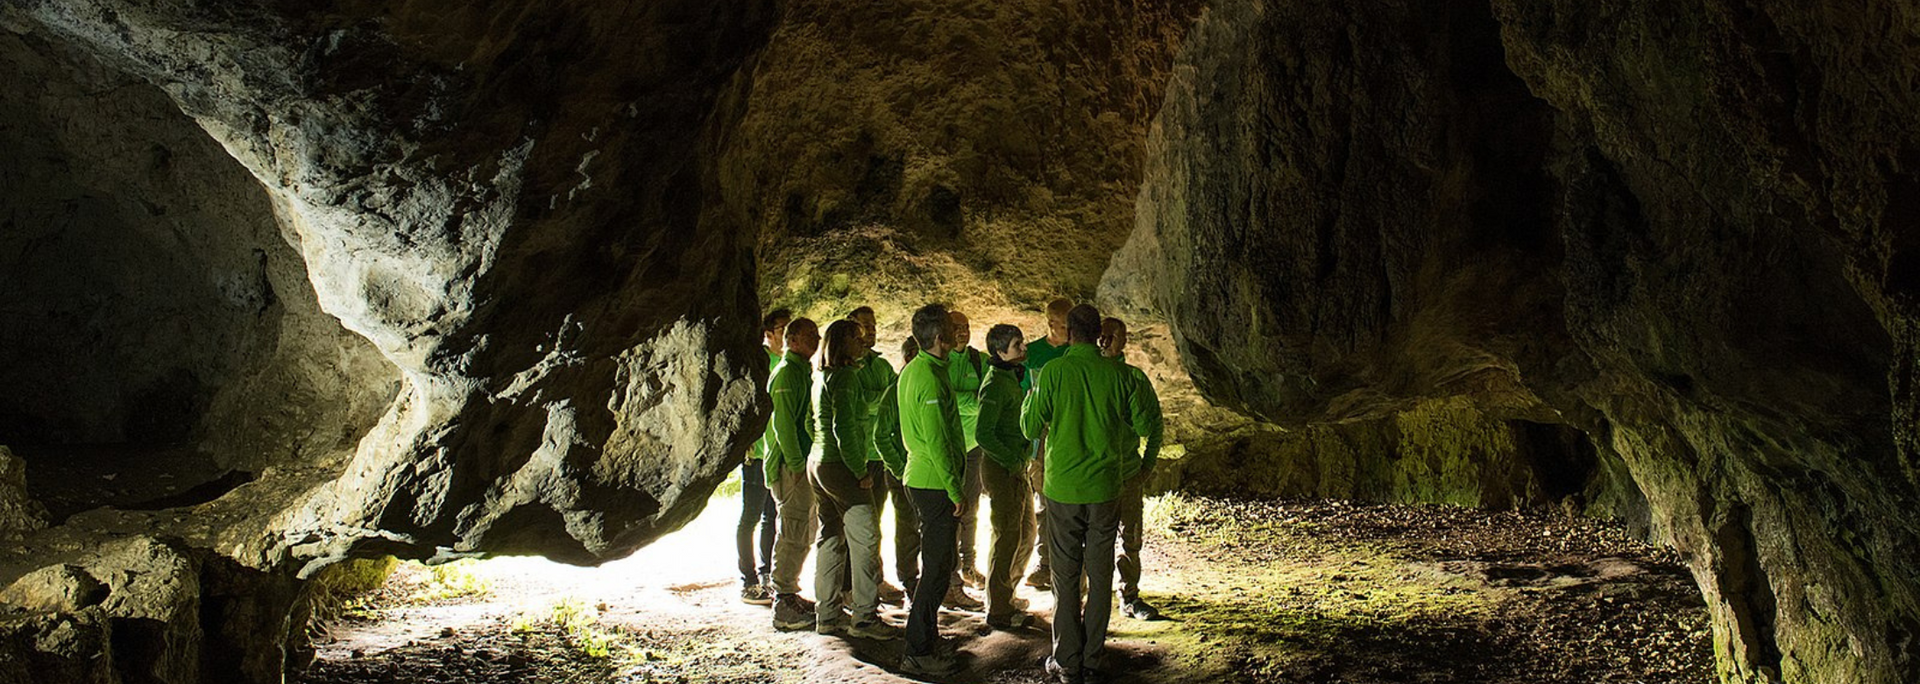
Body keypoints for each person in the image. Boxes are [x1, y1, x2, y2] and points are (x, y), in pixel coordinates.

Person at [1020, 305, 1161, 684]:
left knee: (1065, 576)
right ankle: (1094, 658)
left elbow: (1030, 425)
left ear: (1069, 334)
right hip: (1105, 487)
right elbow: (1145, 423)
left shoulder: (1053, 372)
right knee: (1099, 575)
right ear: (1099, 333)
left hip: (1063, 489)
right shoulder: (1119, 375)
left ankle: (1067, 658)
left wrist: (1035, 398)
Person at [808, 320, 902, 640]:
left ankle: (827, 615)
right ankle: (864, 617)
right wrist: (859, 470)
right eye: (856, 338)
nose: (863, 343)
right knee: (866, 540)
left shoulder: (821, 375)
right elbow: (844, 429)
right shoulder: (846, 377)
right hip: (839, 466)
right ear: (842, 342)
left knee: (831, 539)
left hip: (818, 463)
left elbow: (815, 424)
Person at [896, 304, 968, 677]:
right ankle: (918, 650)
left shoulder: (920, 370)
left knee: (938, 566)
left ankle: (925, 640)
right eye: (953, 330)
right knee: (937, 570)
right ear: (940, 338)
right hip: (933, 482)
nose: (959, 335)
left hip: (924, 479)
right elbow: (938, 441)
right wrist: (956, 489)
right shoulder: (928, 378)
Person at [1098, 317, 1165, 621]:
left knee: (1130, 538)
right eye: (1105, 334)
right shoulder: (1089, 378)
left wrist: (1147, 465)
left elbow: (1153, 425)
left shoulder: (1134, 379)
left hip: (1126, 474)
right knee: (1095, 539)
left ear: (1124, 341)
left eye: (1116, 335)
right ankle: (1094, 600)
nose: (1109, 339)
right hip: (1095, 474)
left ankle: (1129, 596)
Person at [976, 323, 1037, 629]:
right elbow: (983, 434)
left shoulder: (1011, 377)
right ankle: (998, 609)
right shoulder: (995, 384)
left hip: (1015, 465)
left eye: (1021, 343)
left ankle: (1005, 594)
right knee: (1007, 536)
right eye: (1017, 345)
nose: (1023, 348)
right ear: (1000, 352)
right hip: (1002, 469)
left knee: (1026, 534)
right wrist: (1012, 460)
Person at [848, 306, 910, 604]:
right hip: (859, 456)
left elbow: (892, 399)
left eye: (873, 325)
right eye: (864, 326)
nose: (870, 331)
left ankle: (875, 580)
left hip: (881, 454)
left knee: (878, 522)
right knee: (861, 526)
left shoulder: (881, 365)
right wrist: (881, 398)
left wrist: (877, 399)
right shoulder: (846, 366)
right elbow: (859, 405)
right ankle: (854, 587)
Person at [766, 318, 821, 631]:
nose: (815, 339)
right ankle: (783, 602)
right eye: (809, 335)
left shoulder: (800, 370)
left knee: (801, 530)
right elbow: (784, 426)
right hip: (791, 466)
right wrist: (798, 465)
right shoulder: (787, 372)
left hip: (799, 463)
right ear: (793, 339)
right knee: (792, 528)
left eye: (816, 334)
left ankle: (789, 593)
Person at [1022, 297, 1075, 591]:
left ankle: (1068, 565)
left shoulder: (1074, 353)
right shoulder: (1031, 354)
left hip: (1068, 432)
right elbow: (1023, 397)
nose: (1069, 331)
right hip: (1040, 437)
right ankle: (1046, 563)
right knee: (1042, 502)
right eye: (1065, 325)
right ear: (1051, 323)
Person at [738, 308, 790, 605]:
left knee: (772, 516)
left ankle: (766, 574)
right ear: (768, 332)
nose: (786, 334)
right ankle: (748, 581)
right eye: (782, 328)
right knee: (750, 516)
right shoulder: (760, 362)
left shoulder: (791, 363)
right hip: (758, 452)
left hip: (779, 451)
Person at [945, 310, 988, 609]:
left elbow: (986, 397)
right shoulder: (940, 361)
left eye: (966, 327)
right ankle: (946, 575)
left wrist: (965, 401)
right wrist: (969, 400)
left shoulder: (979, 361)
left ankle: (967, 565)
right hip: (947, 447)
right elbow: (946, 398)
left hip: (973, 447)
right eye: (956, 327)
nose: (962, 332)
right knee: (949, 511)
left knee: (970, 509)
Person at [872, 335, 921, 594]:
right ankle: (909, 579)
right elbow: (880, 435)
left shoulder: (925, 382)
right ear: (908, 357)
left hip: (925, 470)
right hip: (904, 470)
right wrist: (900, 469)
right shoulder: (896, 390)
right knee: (908, 526)